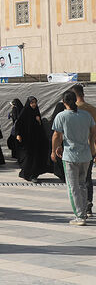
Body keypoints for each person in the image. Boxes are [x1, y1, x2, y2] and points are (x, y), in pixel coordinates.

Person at [51, 91, 96, 226]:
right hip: (85, 155)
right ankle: (84, 210)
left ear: (64, 102)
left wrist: (54, 150)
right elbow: (93, 130)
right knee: (82, 184)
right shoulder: (86, 115)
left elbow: (56, 135)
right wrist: (91, 142)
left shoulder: (61, 116)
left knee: (72, 187)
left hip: (70, 155)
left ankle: (79, 216)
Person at [69, 84, 96, 217]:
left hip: (72, 152)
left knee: (75, 182)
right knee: (87, 179)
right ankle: (88, 205)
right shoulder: (92, 109)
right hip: (90, 150)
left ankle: (80, 209)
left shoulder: (70, 111)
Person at [15, 96, 51, 182]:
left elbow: (40, 127)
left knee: (35, 157)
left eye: (35, 102)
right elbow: (18, 124)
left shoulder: (36, 112)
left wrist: (39, 121)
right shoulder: (25, 112)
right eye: (32, 103)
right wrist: (18, 134)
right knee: (28, 157)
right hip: (27, 140)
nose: (34, 104)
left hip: (36, 140)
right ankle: (27, 174)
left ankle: (33, 175)